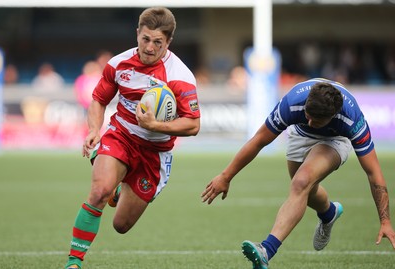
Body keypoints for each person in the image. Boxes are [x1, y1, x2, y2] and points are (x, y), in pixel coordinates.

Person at [201, 78, 395, 269]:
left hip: (334, 140)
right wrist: (226, 176)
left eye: (316, 120)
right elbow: (259, 140)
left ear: (333, 115)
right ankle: (329, 213)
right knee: (305, 190)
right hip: (299, 135)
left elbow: (373, 172)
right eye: (307, 115)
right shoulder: (293, 102)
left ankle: (266, 250)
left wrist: (385, 221)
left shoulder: (351, 118)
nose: (310, 121)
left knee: (301, 182)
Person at [64, 7, 200, 269]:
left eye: (158, 42)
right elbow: (98, 99)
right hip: (122, 135)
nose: (149, 47)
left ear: (168, 42)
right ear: (137, 33)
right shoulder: (118, 64)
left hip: (154, 153)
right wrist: (94, 129)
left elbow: (193, 125)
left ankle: (118, 186)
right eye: (145, 39)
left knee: (121, 225)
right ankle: (74, 262)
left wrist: (155, 124)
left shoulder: (179, 77)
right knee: (99, 191)